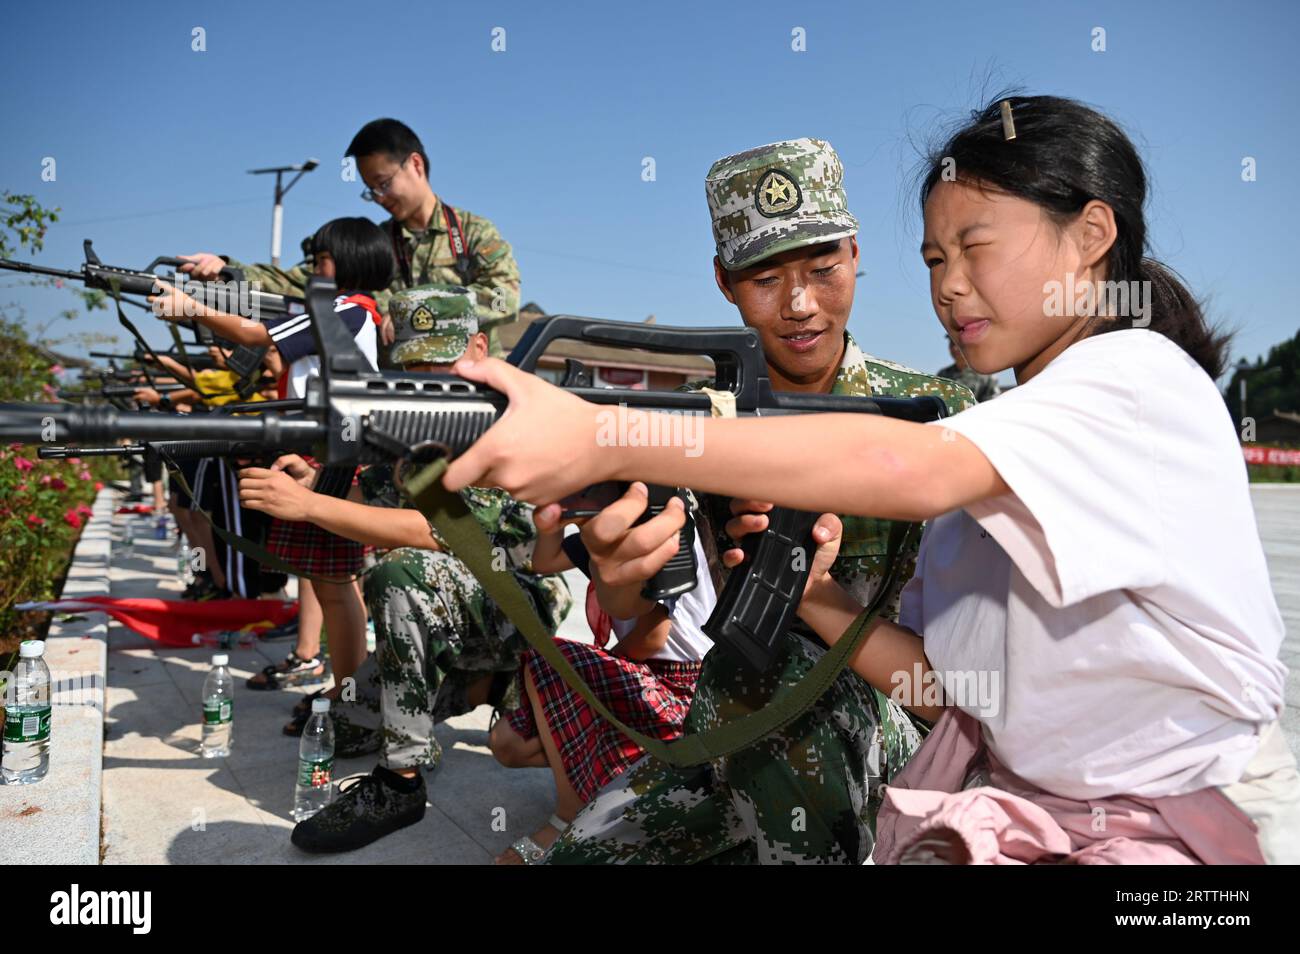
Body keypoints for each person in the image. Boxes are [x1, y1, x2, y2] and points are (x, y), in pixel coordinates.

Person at [441, 97, 1298, 865]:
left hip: (1181, 826)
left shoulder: (1127, 378)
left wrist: (606, 434)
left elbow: (908, 468)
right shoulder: (1003, 448)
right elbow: (950, 689)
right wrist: (807, 594)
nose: (949, 285)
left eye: (974, 247)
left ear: (1092, 235)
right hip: (1020, 800)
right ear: (726, 285)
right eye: (934, 258)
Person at [474, 138, 972, 864]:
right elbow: (646, 635)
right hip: (736, 721)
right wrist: (621, 585)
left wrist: (812, 593)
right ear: (724, 283)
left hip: (909, 732)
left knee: (776, 675)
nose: (800, 305)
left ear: (857, 255)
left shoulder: (935, 416)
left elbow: (960, 694)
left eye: (823, 270)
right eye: (765, 279)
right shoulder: (697, 426)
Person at [235, 286, 572, 853]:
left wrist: (311, 506)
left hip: (520, 602)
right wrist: (317, 481)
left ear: (481, 348)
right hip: (463, 606)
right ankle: (481, 685)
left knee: (400, 573)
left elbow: (442, 533)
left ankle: (401, 781)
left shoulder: (506, 422)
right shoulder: (417, 420)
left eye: (443, 360)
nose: (428, 375)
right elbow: (383, 488)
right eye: (415, 364)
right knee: (345, 721)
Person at [151, 217, 392, 723]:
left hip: (328, 457)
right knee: (329, 581)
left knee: (334, 581)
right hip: (322, 453)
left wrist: (191, 307)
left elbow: (258, 335)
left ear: (350, 261)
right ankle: (349, 693)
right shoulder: (346, 313)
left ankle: (353, 699)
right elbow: (272, 351)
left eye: (322, 260)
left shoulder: (345, 310)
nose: (313, 270)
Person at [489, 483, 716, 863]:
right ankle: (613, 791)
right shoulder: (609, 520)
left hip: (684, 693)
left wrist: (591, 677)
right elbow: (545, 562)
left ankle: (569, 816)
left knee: (553, 662)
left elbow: (652, 635)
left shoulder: (659, 521)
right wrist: (554, 510)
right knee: (509, 741)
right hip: (646, 676)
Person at [176, 118, 521, 358]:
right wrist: (229, 270)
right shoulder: (374, 244)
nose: (381, 197)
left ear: (415, 164)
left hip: (472, 386)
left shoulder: (473, 233)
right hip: (398, 389)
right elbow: (305, 280)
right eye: (371, 191)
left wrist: (410, 312)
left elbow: (504, 299)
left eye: (384, 184)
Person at [937, 334, 1001, 401]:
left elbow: (992, 404)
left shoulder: (985, 373)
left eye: (958, 343)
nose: (955, 348)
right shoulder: (942, 375)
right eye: (952, 344)